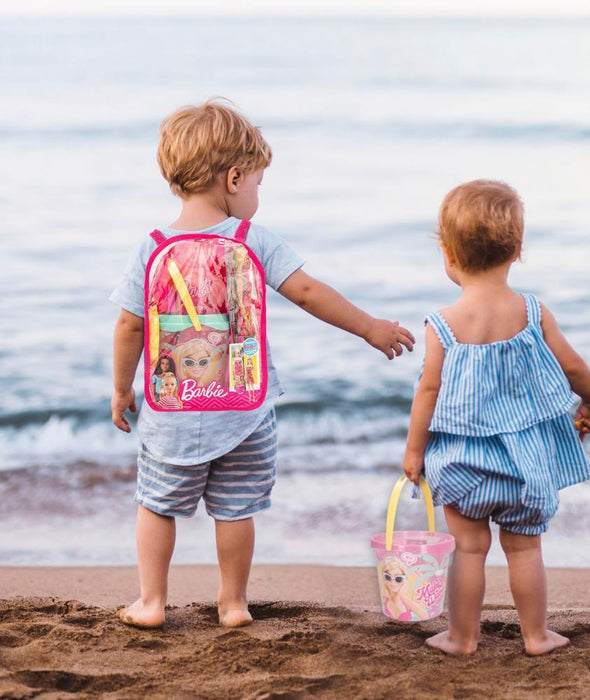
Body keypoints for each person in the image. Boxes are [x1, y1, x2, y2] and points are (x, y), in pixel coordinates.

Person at [110, 98, 415, 630]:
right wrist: (370, 328)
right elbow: (307, 292)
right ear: (233, 178)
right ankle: (232, 604)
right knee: (234, 510)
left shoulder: (151, 247)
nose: (256, 193)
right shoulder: (253, 241)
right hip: (243, 412)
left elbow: (130, 326)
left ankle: (152, 601)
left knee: (157, 505)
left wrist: (121, 389)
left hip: (173, 414)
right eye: (255, 181)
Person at [402, 180, 590, 656]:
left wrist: (414, 451)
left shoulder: (443, 325)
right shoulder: (532, 312)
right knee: (524, 549)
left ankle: (462, 636)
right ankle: (536, 636)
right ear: (517, 250)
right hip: (527, 465)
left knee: (469, 550)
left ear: (448, 253)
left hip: (463, 465)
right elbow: (573, 366)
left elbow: (427, 393)